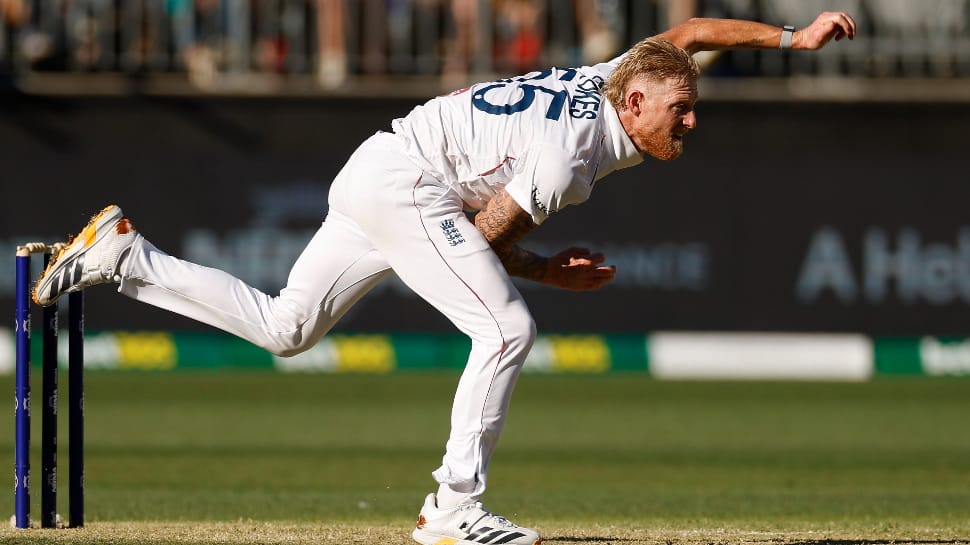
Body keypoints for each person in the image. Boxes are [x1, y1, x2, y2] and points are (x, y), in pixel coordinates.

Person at [34, 11, 856, 545]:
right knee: (506, 326)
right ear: (635, 101)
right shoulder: (570, 156)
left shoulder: (617, 77)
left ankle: (123, 255)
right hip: (410, 185)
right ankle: (453, 506)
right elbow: (490, 232)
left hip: (377, 167)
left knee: (287, 328)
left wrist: (793, 41)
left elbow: (691, 29)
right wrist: (549, 274)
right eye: (678, 110)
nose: (691, 121)